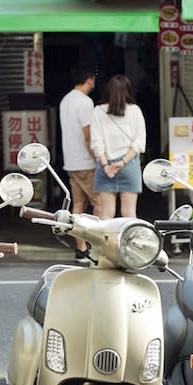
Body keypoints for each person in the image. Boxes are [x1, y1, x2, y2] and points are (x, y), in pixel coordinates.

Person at [90, 74, 146, 220]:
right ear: (128, 90)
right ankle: (128, 243)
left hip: (105, 166)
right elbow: (139, 142)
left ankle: (107, 243)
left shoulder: (98, 111)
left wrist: (105, 165)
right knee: (129, 214)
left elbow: (96, 142)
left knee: (106, 214)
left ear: (108, 90)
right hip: (129, 165)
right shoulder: (135, 111)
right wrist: (122, 163)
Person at [60, 64, 99, 264]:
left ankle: (80, 249)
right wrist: (98, 157)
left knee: (78, 205)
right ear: (89, 79)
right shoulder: (85, 102)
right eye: (93, 79)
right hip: (86, 162)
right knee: (99, 203)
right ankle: (97, 247)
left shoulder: (65, 100)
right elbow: (88, 136)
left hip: (71, 161)